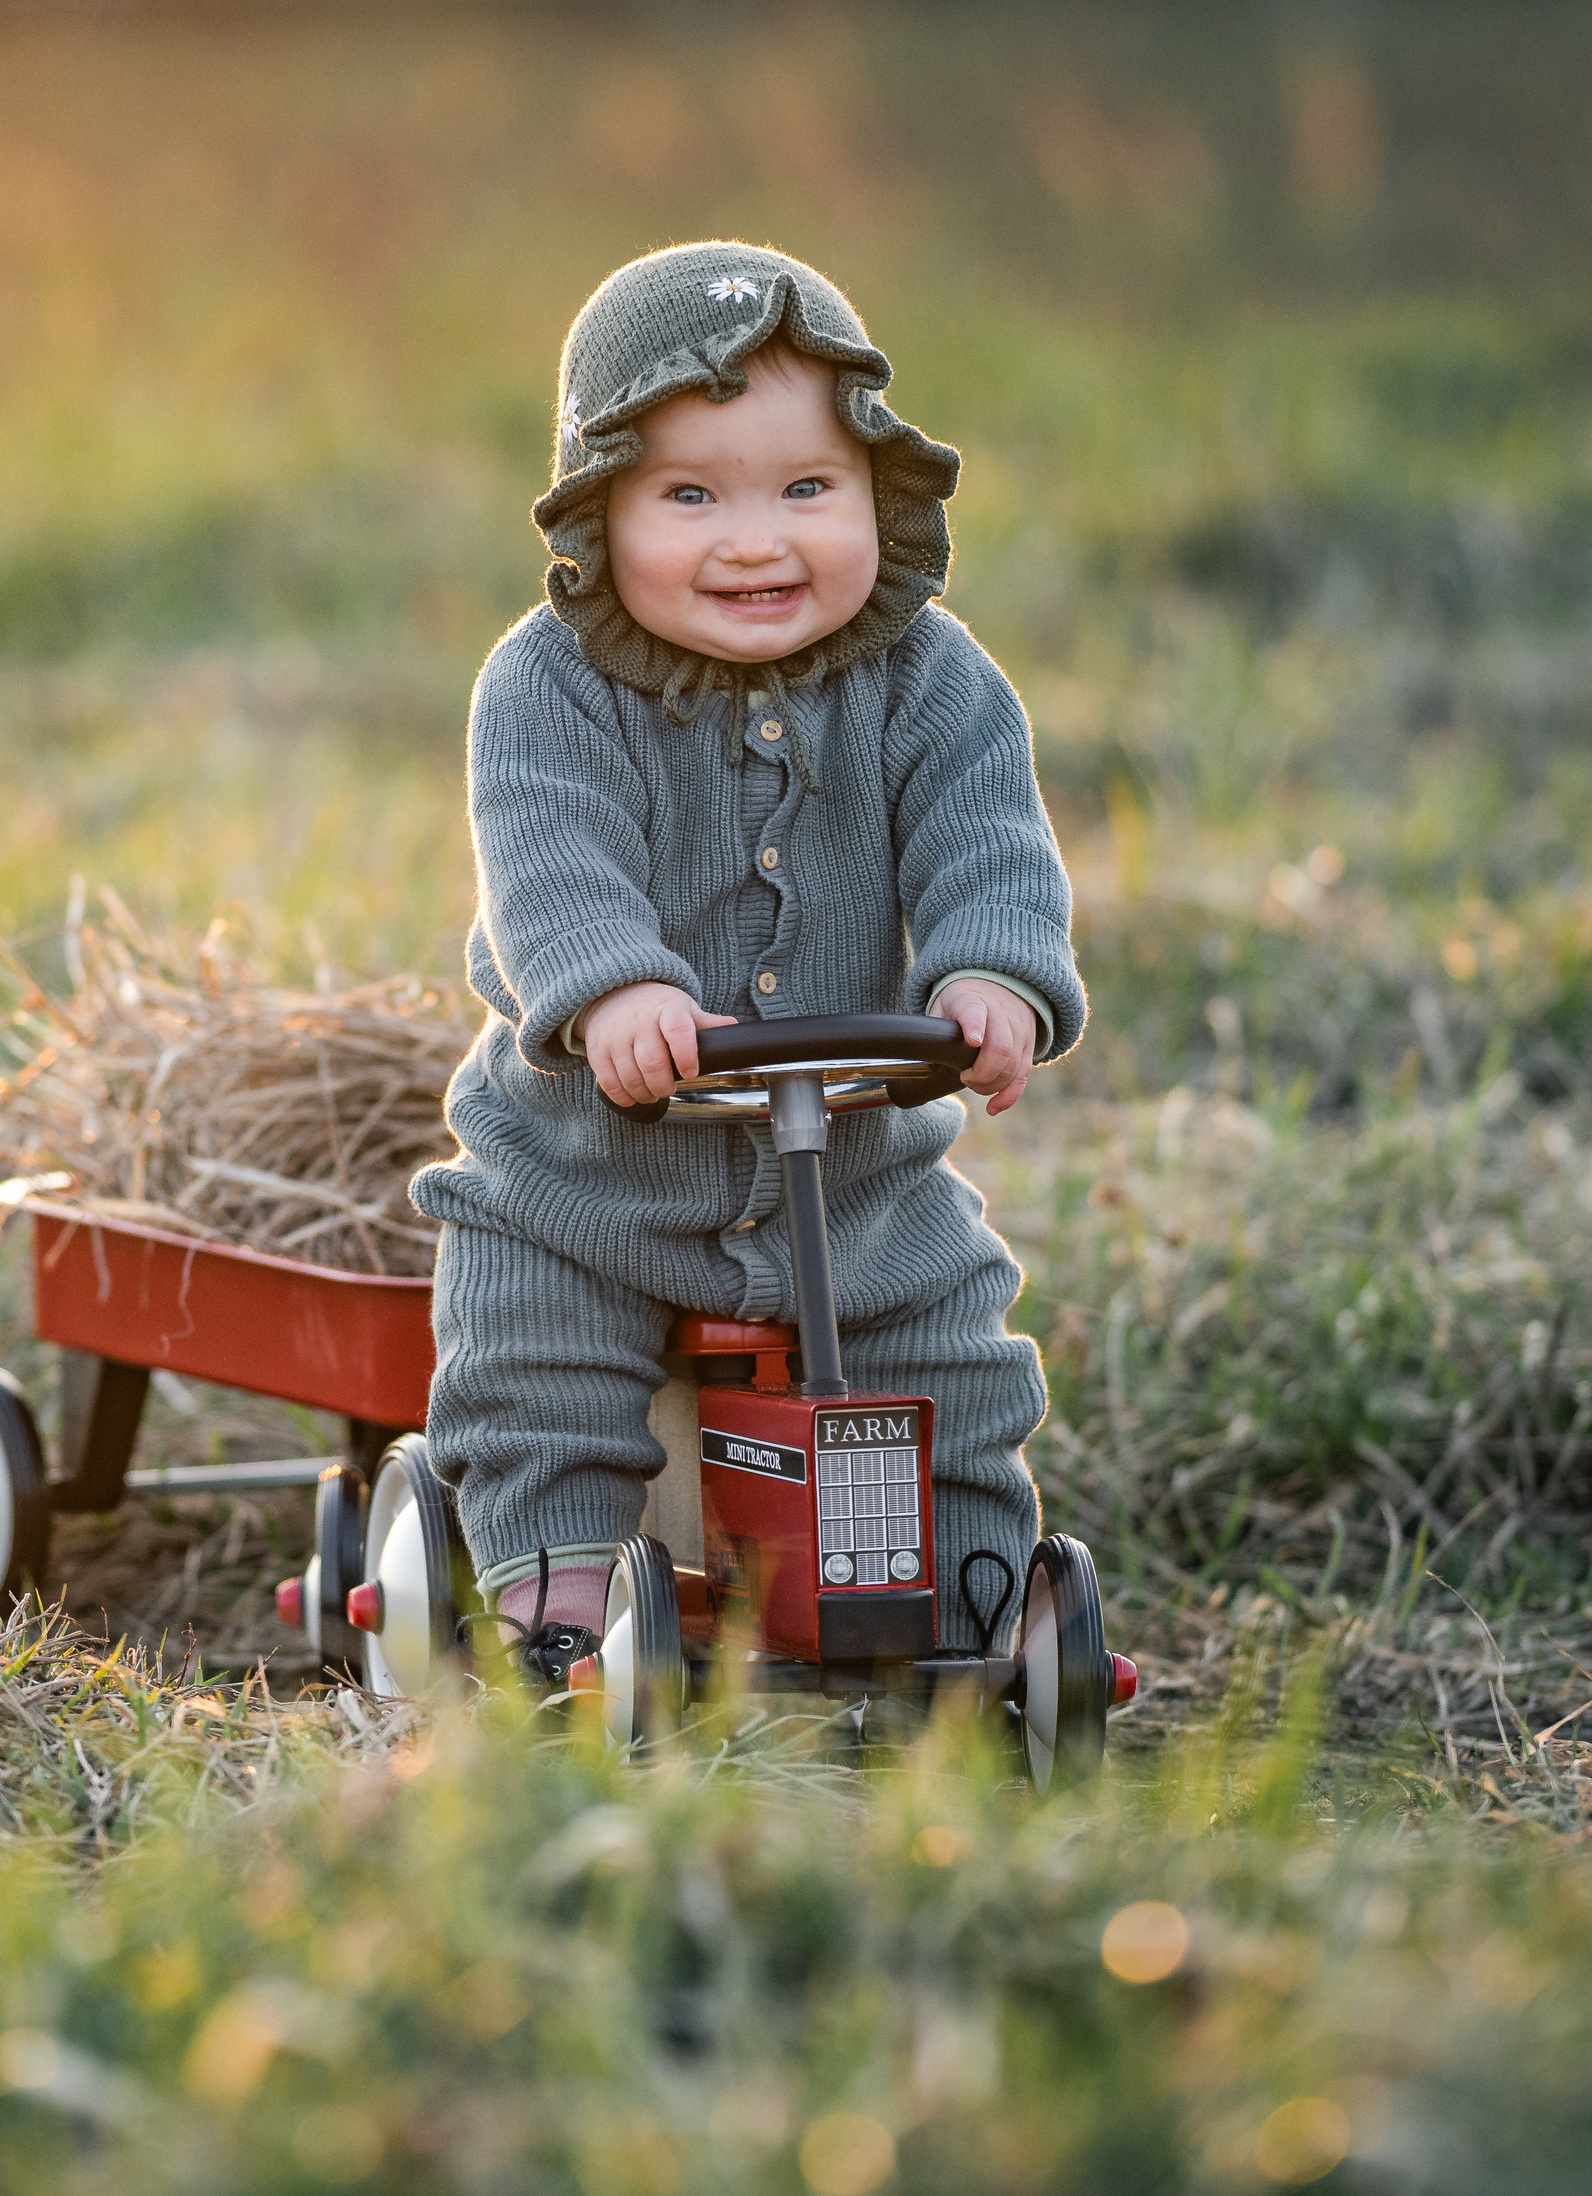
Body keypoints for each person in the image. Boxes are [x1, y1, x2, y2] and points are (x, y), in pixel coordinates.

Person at [407, 241, 1085, 1683]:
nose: (756, 539)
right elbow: (551, 854)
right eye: (691, 496)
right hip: (583, 1172)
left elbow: (988, 841)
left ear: (877, 493)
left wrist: (992, 976)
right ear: (600, 511)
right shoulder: (547, 684)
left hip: (856, 1176)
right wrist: (613, 987)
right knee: (539, 1364)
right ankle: (559, 1603)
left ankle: (961, 1600)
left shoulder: (933, 680)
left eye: (807, 489)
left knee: (957, 1355)